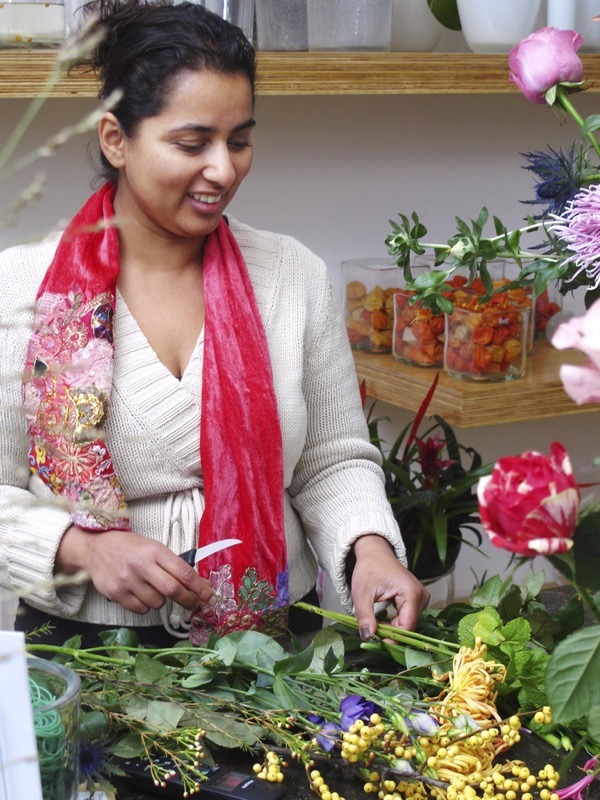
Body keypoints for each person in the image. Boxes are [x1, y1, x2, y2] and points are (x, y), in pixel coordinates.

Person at [0, 0, 429, 648]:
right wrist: (80, 548)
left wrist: (370, 550)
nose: (224, 170)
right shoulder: (21, 288)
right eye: (192, 143)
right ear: (116, 138)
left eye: (240, 139)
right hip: (87, 656)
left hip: (275, 653)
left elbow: (332, 460)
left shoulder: (292, 275)